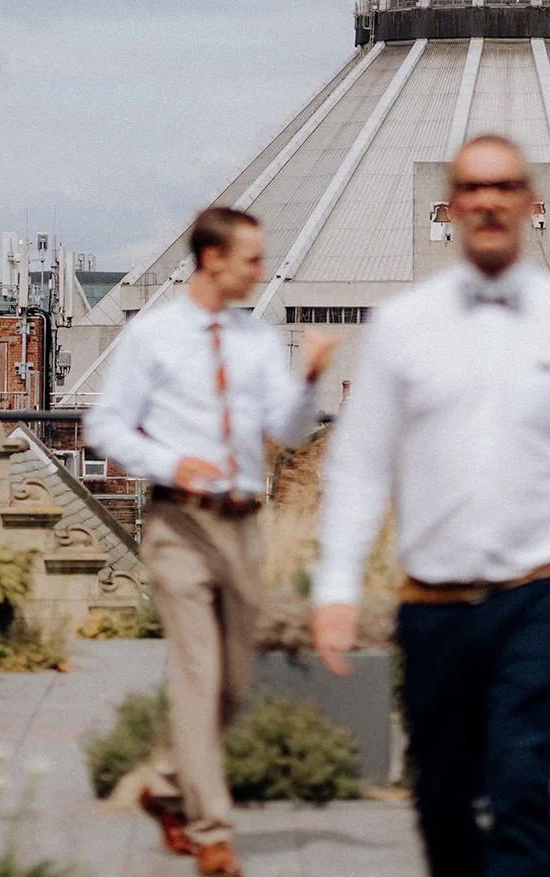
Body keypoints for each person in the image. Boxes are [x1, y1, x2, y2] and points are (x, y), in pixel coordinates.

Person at [309, 135, 550, 877]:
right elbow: (360, 464)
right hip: (433, 600)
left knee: (521, 785)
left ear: (532, 204)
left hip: (537, 595)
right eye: (473, 188)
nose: (489, 200)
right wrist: (337, 586)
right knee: (439, 794)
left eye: (504, 186)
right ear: (452, 205)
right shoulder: (402, 325)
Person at [83, 206, 339, 877]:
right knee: (197, 672)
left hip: (242, 523)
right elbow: (105, 425)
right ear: (211, 258)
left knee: (232, 680)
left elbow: (285, 426)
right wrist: (171, 462)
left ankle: (167, 782)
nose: (263, 269)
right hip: (180, 523)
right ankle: (212, 830)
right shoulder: (155, 336)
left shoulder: (256, 338)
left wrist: (310, 376)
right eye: (251, 257)